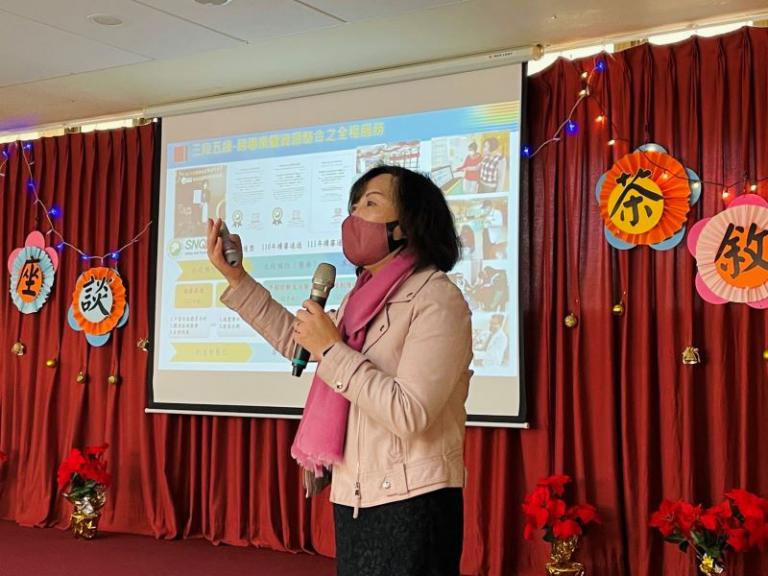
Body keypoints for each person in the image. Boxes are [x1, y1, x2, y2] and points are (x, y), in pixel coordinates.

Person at [207, 165, 473, 576]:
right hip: (355, 496)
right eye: (354, 205)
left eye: (371, 203)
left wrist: (331, 348)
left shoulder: (437, 299)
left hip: (413, 501)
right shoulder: (359, 300)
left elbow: (410, 412)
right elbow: (299, 341)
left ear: (406, 225)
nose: (354, 216)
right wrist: (236, 277)